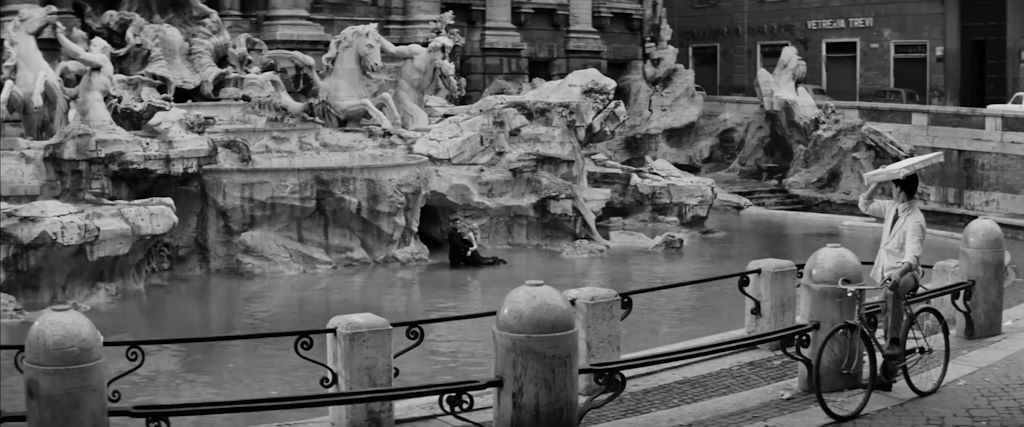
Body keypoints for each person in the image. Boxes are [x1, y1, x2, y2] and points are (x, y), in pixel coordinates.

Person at [858, 173, 926, 391]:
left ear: (900, 190)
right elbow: (865, 205)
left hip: (908, 273)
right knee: (886, 307)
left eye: (892, 186)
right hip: (886, 273)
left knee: (892, 293)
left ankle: (894, 344)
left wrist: (899, 274)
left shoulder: (915, 219)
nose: (890, 191)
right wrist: (878, 181)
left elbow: (913, 256)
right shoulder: (891, 208)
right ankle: (888, 373)